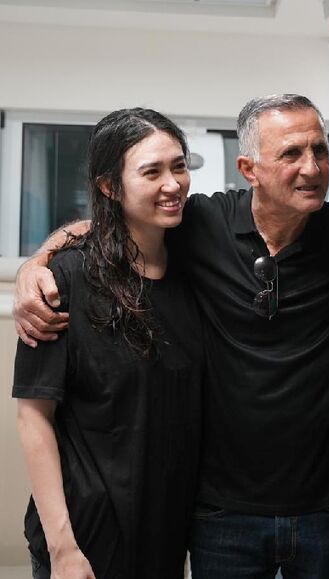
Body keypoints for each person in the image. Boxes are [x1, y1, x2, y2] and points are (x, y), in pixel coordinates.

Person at [13, 95, 329, 579]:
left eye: (319, 150)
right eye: (291, 153)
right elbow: (108, 223)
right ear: (249, 169)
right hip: (220, 513)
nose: (312, 167)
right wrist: (37, 264)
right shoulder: (199, 225)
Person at [13, 108, 203, 578]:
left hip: (163, 532)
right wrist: (62, 549)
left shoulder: (195, 271)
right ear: (109, 187)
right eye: (151, 171)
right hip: (85, 534)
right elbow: (33, 417)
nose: (173, 184)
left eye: (179, 166)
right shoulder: (65, 281)